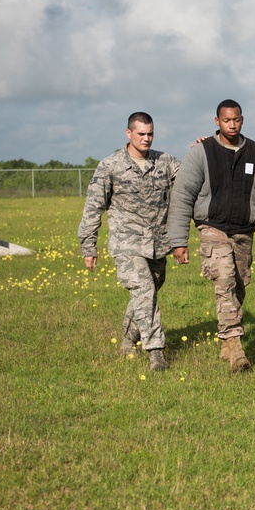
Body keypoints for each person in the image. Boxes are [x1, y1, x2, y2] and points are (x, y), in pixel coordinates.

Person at [168, 99, 255, 372]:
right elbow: (182, 195)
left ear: (242, 120)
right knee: (224, 278)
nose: (232, 125)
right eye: (226, 120)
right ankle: (236, 348)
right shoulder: (202, 153)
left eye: (236, 119)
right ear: (217, 122)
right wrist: (178, 240)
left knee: (238, 284)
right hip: (211, 227)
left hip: (243, 232)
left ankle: (226, 343)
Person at [78, 111, 181, 371]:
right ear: (128, 134)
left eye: (150, 134)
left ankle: (127, 341)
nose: (146, 139)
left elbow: (191, 179)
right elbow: (93, 207)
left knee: (148, 295)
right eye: (141, 134)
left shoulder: (165, 161)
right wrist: (88, 246)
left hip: (158, 243)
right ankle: (156, 353)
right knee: (144, 293)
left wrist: (203, 149)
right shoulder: (110, 165)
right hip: (127, 244)